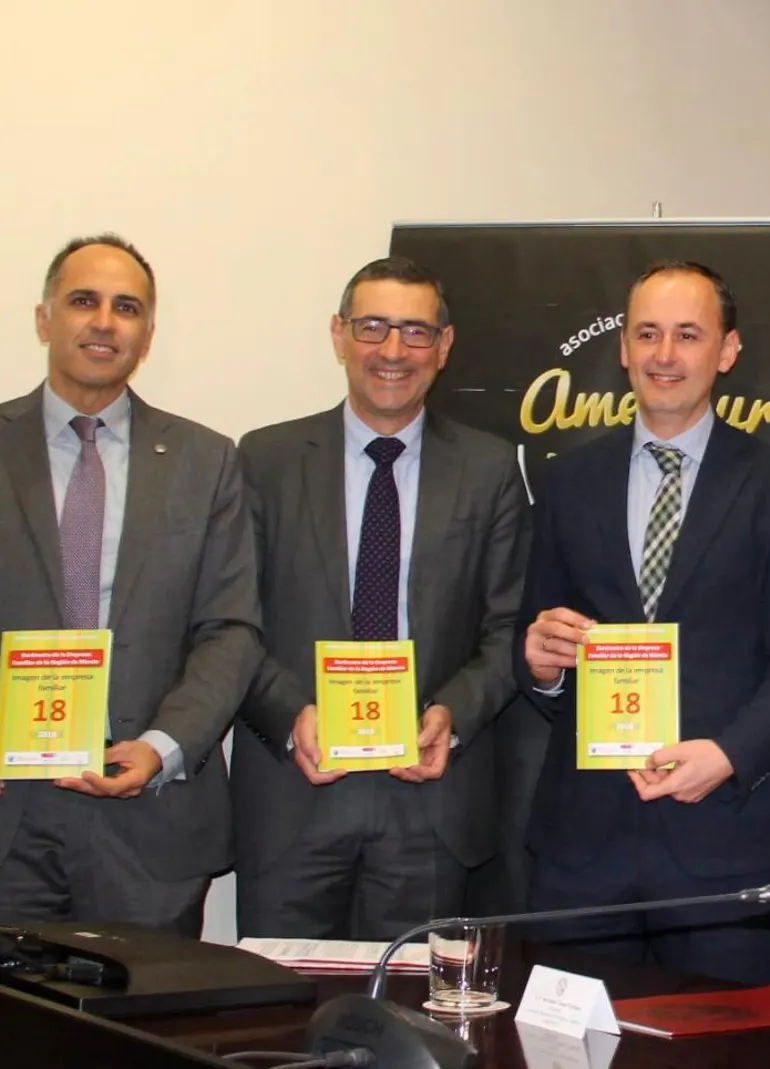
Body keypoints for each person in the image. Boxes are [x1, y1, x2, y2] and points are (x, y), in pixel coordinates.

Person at [515, 260, 770, 985]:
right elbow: (532, 642)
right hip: (582, 842)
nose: (665, 355)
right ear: (623, 348)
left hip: (724, 835)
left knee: (721, 1049)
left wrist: (727, 753)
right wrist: (538, 662)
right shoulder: (569, 481)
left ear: (726, 351)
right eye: (648, 334)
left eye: (688, 335)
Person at [231, 256, 529, 938]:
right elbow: (229, 622)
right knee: (277, 1029)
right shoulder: (263, 459)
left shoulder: (490, 469)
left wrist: (451, 716)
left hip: (428, 806)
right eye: (372, 327)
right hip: (294, 794)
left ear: (444, 346)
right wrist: (288, 713)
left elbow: (507, 628)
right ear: (338, 334)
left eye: (415, 331)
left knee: (411, 1028)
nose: (392, 350)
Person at [0, 235, 262, 935]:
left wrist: (164, 745)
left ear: (146, 333)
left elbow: (229, 626)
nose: (104, 321)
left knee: (144, 1037)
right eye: (83, 300)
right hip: (9, 819)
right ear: (43, 317)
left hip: (151, 820)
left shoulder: (205, 461)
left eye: (127, 307)